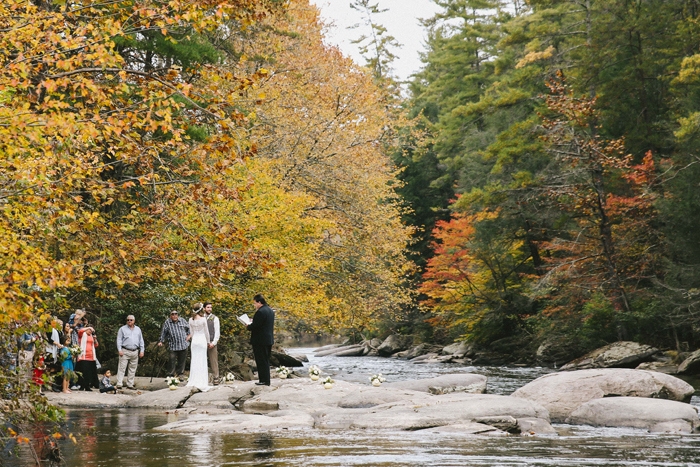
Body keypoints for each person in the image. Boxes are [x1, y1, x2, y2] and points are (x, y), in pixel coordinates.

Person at [247, 294, 275, 386]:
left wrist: (248, 326)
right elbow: (263, 323)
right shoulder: (270, 310)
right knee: (265, 360)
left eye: (255, 303)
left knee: (260, 360)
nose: (255, 305)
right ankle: (266, 380)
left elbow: (255, 326)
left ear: (259, 302)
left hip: (260, 340)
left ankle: (263, 380)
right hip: (268, 339)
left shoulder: (260, 312)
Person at [158, 310, 190, 380]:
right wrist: (161, 341)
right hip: (173, 345)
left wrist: (189, 336)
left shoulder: (182, 320)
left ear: (178, 315)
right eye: (173, 314)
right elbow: (163, 333)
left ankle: (180, 374)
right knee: (171, 360)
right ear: (170, 316)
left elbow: (189, 329)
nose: (174, 315)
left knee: (182, 361)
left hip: (183, 344)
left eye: (176, 314)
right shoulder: (167, 322)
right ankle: (171, 375)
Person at [116, 315, 145, 390]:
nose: (129, 321)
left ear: (134, 321)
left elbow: (141, 340)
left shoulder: (138, 329)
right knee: (122, 368)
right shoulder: (122, 329)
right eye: (128, 320)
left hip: (135, 351)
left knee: (132, 368)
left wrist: (142, 350)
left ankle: (130, 384)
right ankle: (119, 383)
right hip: (125, 350)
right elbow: (119, 340)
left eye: (131, 320)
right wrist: (119, 350)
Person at [186, 303, 211, 391]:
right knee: (202, 360)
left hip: (195, 341)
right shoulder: (203, 319)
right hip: (202, 340)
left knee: (195, 360)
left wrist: (189, 337)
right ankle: (202, 381)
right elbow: (206, 332)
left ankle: (194, 380)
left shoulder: (190, 320)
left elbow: (191, 333)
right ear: (201, 310)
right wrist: (208, 342)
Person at [75, 327, 100, 391]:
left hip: (91, 356)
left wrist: (95, 339)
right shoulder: (82, 334)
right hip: (84, 356)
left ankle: (87, 386)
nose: (90, 331)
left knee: (89, 372)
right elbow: (80, 331)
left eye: (91, 330)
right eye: (89, 330)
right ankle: (82, 385)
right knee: (83, 371)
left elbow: (96, 345)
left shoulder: (92, 336)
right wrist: (88, 328)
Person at [203, 302, 221, 385]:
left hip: (211, 342)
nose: (209, 309)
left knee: (213, 361)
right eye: (208, 307)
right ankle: (203, 378)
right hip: (202, 342)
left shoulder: (215, 318)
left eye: (210, 307)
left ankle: (216, 377)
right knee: (202, 360)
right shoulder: (200, 318)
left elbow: (217, 331)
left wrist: (213, 342)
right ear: (204, 308)